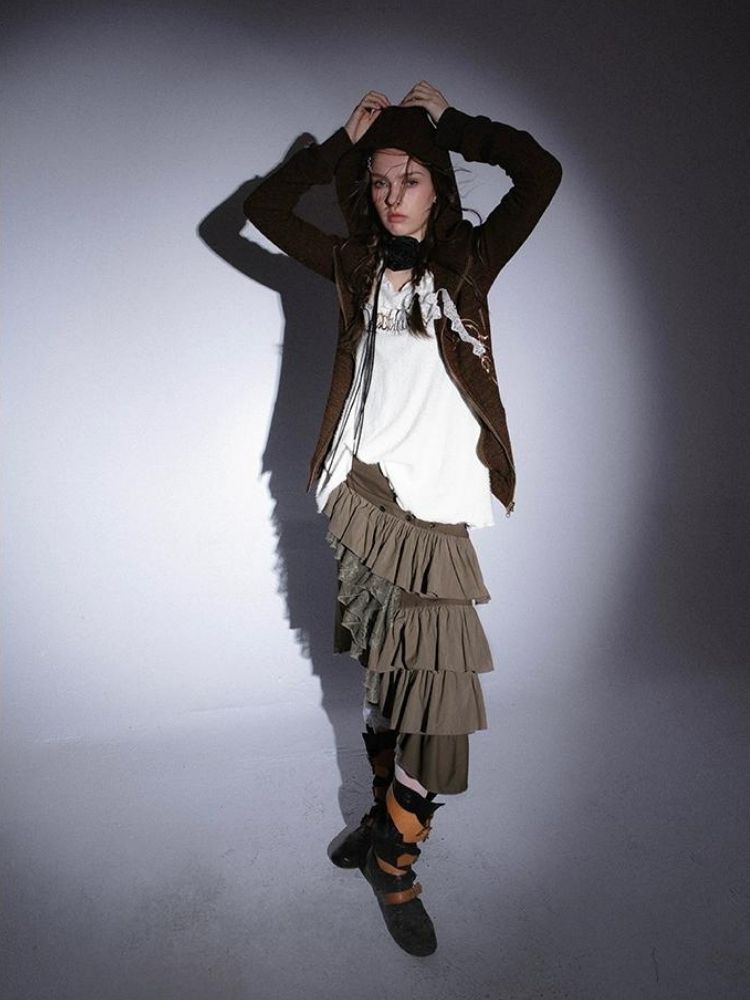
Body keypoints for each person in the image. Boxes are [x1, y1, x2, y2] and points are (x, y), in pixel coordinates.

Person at [243, 80, 562, 956]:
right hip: (367, 497)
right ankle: (386, 831)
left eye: (409, 180)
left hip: (437, 510)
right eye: (379, 181)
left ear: (437, 185)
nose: (391, 197)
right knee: (387, 677)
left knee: (443, 707)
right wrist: (336, 147)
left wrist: (457, 125)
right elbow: (265, 210)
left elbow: (540, 173)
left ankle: (393, 851)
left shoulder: (470, 261)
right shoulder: (354, 264)